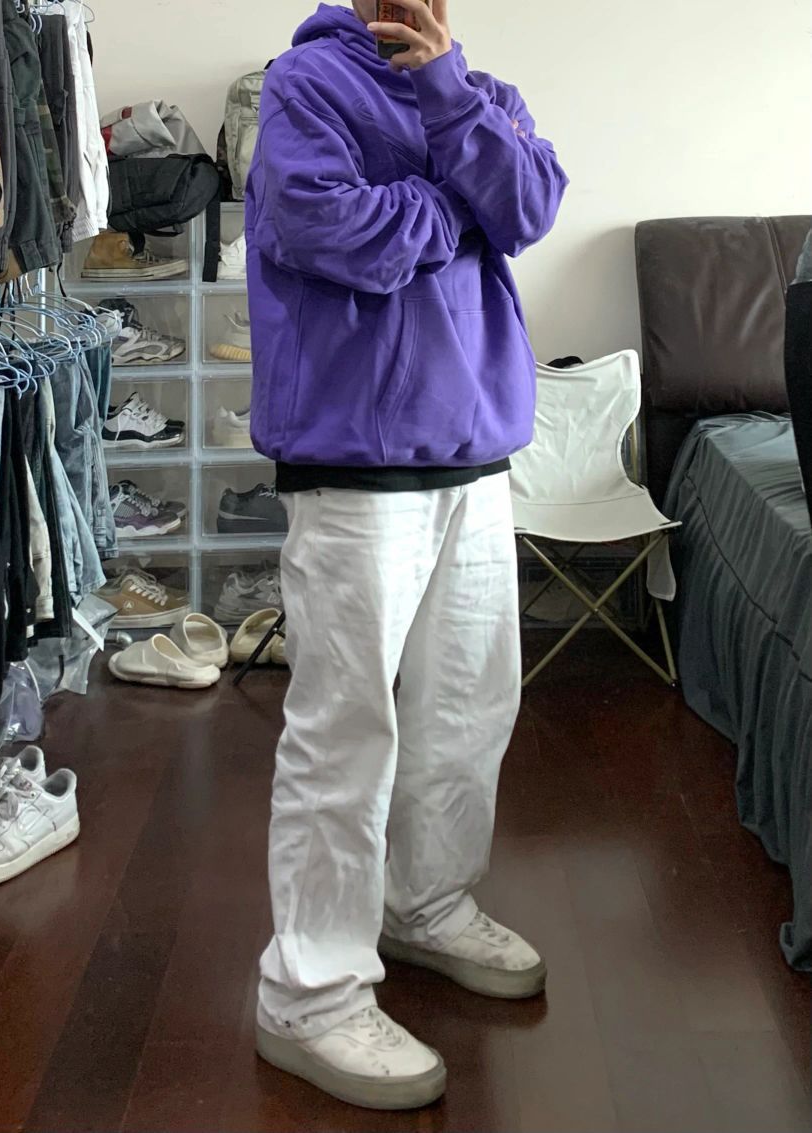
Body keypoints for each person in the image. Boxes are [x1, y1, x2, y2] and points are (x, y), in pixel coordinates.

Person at [245, 0, 568, 1109]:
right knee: (345, 729)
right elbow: (330, 229)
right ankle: (309, 992)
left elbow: (529, 204)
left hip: (476, 455)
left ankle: (422, 905)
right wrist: (458, 200)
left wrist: (448, 108)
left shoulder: (480, 94)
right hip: (353, 462)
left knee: (469, 707)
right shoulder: (304, 86)